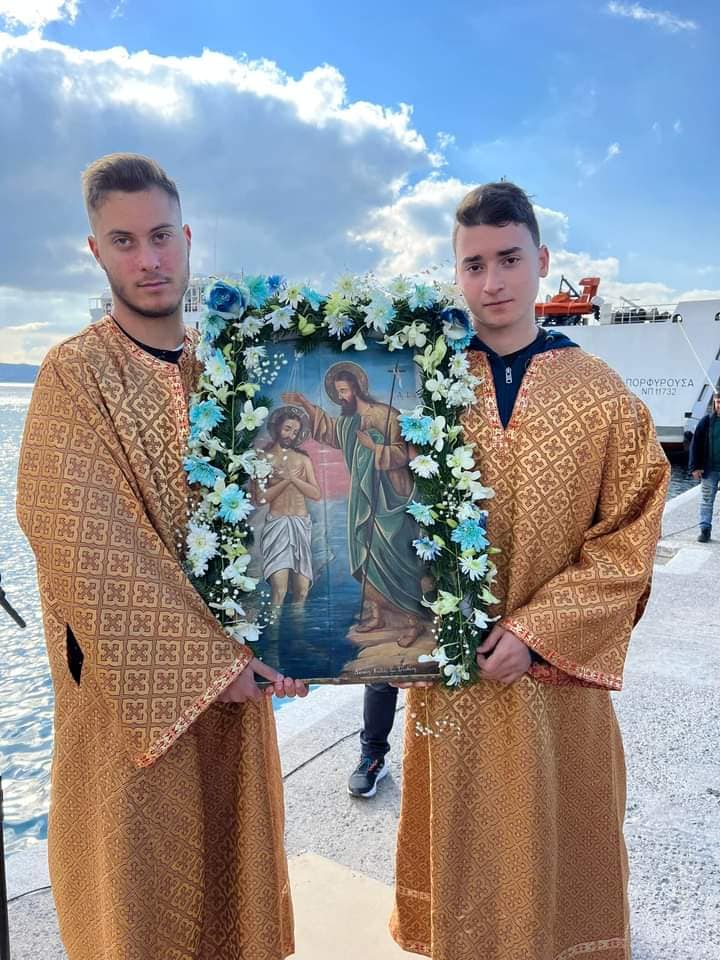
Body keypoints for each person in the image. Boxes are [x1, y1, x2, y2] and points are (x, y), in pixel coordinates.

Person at [16, 153, 306, 960]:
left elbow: (288, 508)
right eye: (124, 241)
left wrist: (310, 630)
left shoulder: (231, 374)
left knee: (236, 894)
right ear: (95, 251)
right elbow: (80, 536)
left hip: (244, 689)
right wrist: (209, 664)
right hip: (128, 703)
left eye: (161, 236)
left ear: (187, 238)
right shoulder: (74, 374)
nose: (148, 259)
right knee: (141, 908)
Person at [389, 182, 669, 960]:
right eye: (474, 265)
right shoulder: (420, 388)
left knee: (555, 844)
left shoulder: (603, 394)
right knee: (465, 852)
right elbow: (376, 516)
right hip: (451, 681)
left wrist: (538, 632)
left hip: (555, 685)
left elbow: (631, 532)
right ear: (455, 272)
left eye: (509, 259)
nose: (493, 283)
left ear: (542, 261)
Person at [282, 365, 427, 646]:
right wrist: (304, 403)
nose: (340, 397)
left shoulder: (385, 414)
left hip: (390, 498)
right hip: (362, 498)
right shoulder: (348, 423)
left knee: (397, 557)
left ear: (357, 388)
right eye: (337, 393)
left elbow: (405, 454)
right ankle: (377, 613)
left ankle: (412, 620)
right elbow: (327, 428)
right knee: (365, 553)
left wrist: (374, 447)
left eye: (344, 391)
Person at [255, 406, 321, 607]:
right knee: (280, 590)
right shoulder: (263, 459)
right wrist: (284, 481)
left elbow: (316, 494)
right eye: (287, 429)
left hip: (301, 524)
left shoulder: (303, 459)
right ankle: (275, 628)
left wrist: (292, 478)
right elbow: (261, 499)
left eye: (295, 431)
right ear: (277, 427)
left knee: (302, 591)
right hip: (278, 526)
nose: (291, 435)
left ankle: (298, 628)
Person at [688, 392, 720, 542]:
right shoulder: (706, 422)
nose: (719, 405)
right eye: (718, 402)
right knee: (707, 499)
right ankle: (705, 529)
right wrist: (695, 467)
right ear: (714, 403)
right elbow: (695, 445)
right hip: (709, 468)